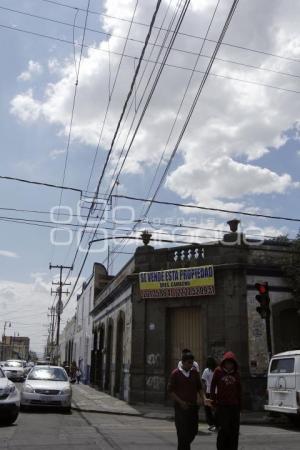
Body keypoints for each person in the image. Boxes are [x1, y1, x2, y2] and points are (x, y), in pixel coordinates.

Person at [168, 352, 207, 450]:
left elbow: (199, 388)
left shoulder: (194, 373)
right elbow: (170, 391)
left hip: (192, 408)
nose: (191, 365)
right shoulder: (176, 373)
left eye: (192, 363)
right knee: (182, 434)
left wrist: (204, 398)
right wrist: (181, 402)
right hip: (180, 409)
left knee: (193, 431)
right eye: (189, 363)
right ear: (183, 362)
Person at [210, 352, 242, 450]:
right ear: (224, 363)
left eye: (231, 363)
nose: (229, 365)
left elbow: (239, 390)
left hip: (234, 407)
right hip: (222, 406)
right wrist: (214, 401)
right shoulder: (218, 371)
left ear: (234, 364)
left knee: (234, 432)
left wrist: (240, 406)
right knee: (223, 431)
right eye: (227, 363)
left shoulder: (236, 374)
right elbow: (212, 386)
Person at [201, 356, 217, 431]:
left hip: (210, 392)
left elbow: (203, 382)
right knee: (214, 409)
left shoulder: (206, 370)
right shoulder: (217, 370)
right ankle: (215, 423)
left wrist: (203, 393)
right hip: (215, 392)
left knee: (208, 409)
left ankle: (212, 423)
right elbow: (203, 382)